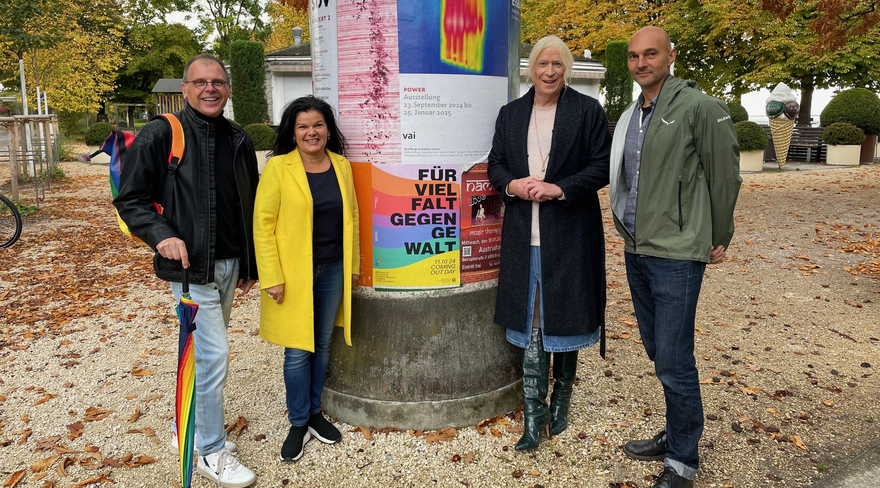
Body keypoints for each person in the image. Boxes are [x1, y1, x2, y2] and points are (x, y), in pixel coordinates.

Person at [114, 53, 259, 487]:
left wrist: (250, 265)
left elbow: (248, 206)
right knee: (213, 357)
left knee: (204, 358)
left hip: (231, 265)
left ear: (228, 89)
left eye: (218, 81)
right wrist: (161, 235)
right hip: (189, 269)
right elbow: (130, 199)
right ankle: (211, 452)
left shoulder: (239, 137)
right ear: (185, 89)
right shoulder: (162, 133)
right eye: (200, 82)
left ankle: (192, 429)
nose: (209, 88)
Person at [610, 27, 742, 488]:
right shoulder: (633, 114)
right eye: (633, 56)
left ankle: (683, 460)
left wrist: (718, 233)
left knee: (673, 357)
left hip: (678, 253)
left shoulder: (700, 107)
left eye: (650, 54)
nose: (641, 62)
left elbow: (725, 177)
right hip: (637, 247)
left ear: (670, 56)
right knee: (658, 350)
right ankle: (677, 432)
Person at [487, 35, 611, 451]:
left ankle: (561, 401)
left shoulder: (587, 110)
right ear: (531, 68)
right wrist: (513, 185)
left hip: (570, 231)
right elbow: (495, 164)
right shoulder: (511, 114)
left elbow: (601, 167)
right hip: (524, 233)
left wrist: (559, 188)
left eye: (558, 64)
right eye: (543, 63)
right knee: (533, 319)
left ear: (567, 68)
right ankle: (533, 413)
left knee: (566, 316)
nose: (550, 71)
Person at [253, 95, 360, 463]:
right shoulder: (279, 168)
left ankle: (315, 413)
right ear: (292, 132)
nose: (311, 132)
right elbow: (262, 227)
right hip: (293, 273)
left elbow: (353, 219)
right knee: (298, 350)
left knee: (323, 344)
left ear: (328, 129)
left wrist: (352, 267)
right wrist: (271, 277)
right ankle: (298, 421)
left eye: (317, 125)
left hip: (332, 269)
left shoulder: (342, 166)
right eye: (303, 126)